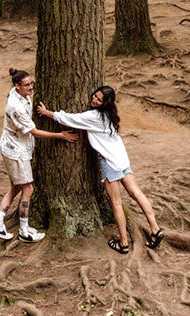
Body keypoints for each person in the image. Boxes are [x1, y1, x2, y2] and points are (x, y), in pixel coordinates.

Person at [36, 86, 164, 254]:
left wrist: (46, 113)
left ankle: (124, 243)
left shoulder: (93, 116)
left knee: (116, 203)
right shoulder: (111, 115)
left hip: (110, 163)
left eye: (98, 99)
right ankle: (155, 229)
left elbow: (69, 119)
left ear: (104, 103)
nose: (94, 99)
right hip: (122, 159)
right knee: (137, 194)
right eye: (94, 96)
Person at [0, 68, 80, 243]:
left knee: (16, 187)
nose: (31, 88)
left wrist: (46, 112)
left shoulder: (19, 94)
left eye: (32, 83)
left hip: (16, 147)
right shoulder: (15, 107)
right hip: (16, 151)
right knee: (28, 189)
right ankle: (24, 231)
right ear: (17, 86)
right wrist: (60, 136)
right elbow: (34, 132)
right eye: (26, 85)